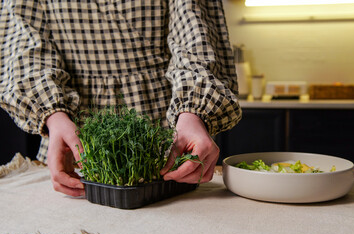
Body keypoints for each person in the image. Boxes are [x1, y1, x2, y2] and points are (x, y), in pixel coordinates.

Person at [0, 0, 241, 197]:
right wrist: (53, 117)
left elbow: (195, 35)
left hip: (169, 136)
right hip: (70, 144)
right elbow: (25, 51)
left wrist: (192, 114)